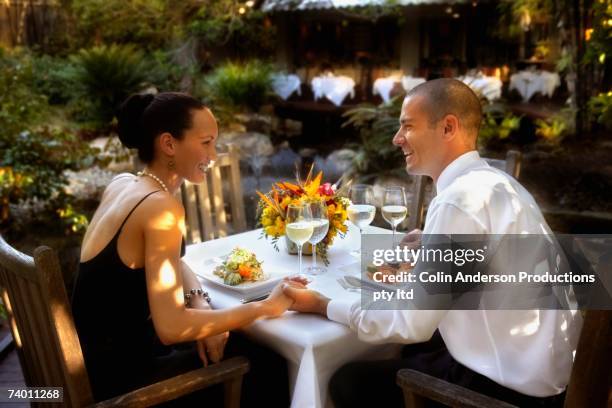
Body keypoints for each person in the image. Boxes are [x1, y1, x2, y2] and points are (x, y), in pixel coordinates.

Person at [283, 79, 581, 407]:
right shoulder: (500, 184)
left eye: (407, 126)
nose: (397, 139)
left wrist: (322, 305)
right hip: (549, 378)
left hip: (504, 393)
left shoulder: (459, 200)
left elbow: (411, 323)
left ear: (448, 127)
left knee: (347, 381)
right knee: (409, 351)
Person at [71, 92, 295, 406]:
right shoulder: (160, 206)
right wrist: (264, 308)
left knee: (237, 338)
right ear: (169, 144)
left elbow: (172, 263)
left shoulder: (125, 184)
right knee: (271, 360)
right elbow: (171, 328)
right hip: (123, 386)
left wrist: (200, 304)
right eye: (206, 142)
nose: (213, 155)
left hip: (95, 363)